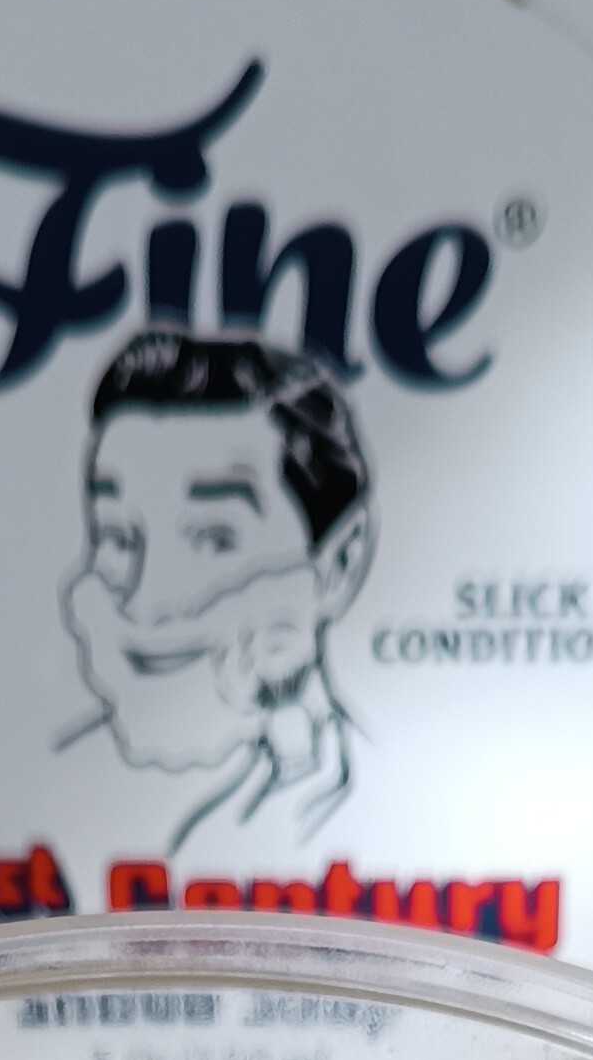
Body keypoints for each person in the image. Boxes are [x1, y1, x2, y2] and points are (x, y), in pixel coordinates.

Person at [59, 328, 375, 859]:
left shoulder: (390, 797)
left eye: (212, 538)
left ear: (340, 562)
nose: (146, 599)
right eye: (116, 536)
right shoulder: (56, 780)